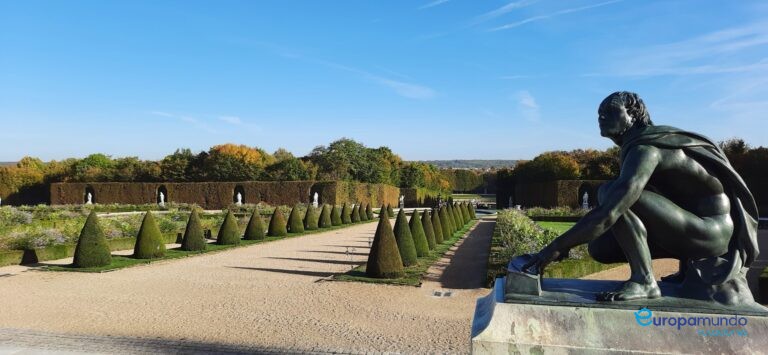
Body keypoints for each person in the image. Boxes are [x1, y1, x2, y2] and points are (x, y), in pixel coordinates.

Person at [523, 91, 758, 304]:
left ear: (633, 115)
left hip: (712, 233)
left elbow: (612, 211)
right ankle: (682, 269)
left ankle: (644, 281)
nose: (601, 117)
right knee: (600, 248)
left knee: (611, 193)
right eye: (599, 113)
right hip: (700, 229)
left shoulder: (646, 149)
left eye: (610, 111)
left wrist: (553, 249)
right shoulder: (644, 144)